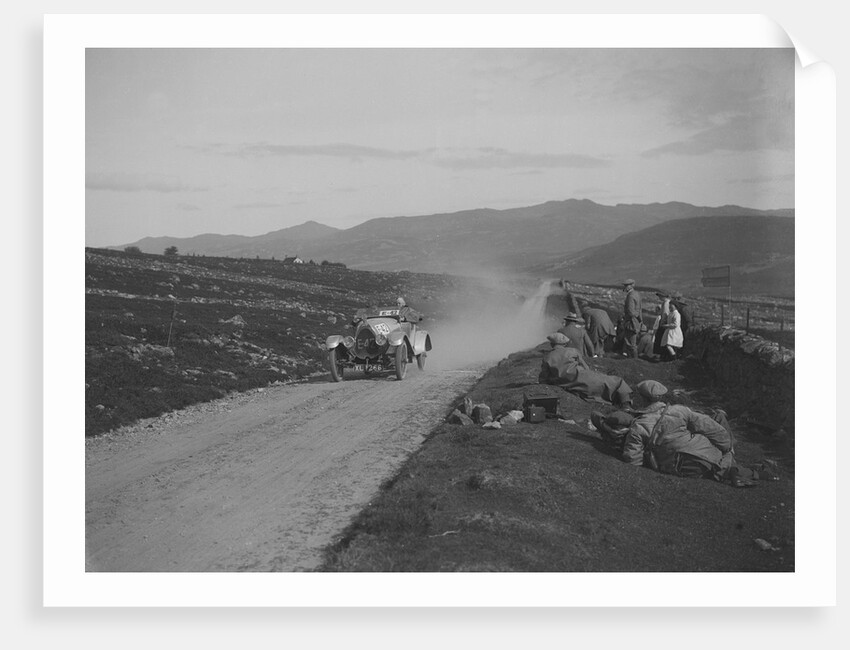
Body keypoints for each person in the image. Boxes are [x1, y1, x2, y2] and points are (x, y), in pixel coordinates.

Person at [620, 380, 778, 487]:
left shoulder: (638, 426)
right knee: (714, 425)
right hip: (705, 456)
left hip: (679, 467)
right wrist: (727, 447)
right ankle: (739, 468)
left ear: (642, 399)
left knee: (709, 451)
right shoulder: (680, 411)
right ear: (660, 397)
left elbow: (632, 459)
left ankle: (736, 469)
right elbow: (714, 430)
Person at [539, 333, 633, 408]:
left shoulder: (547, 357)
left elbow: (543, 379)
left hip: (567, 384)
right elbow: (585, 367)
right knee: (617, 382)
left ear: (552, 344)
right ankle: (626, 405)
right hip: (582, 376)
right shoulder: (572, 351)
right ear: (564, 344)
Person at [621, 279, 643, 359]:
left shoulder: (630, 296)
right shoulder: (637, 294)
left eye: (626, 285)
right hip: (636, 321)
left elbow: (630, 311)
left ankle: (633, 360)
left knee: (630, 343)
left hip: (631, 322)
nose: (625, 287)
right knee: (632, 342)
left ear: (631, 286)